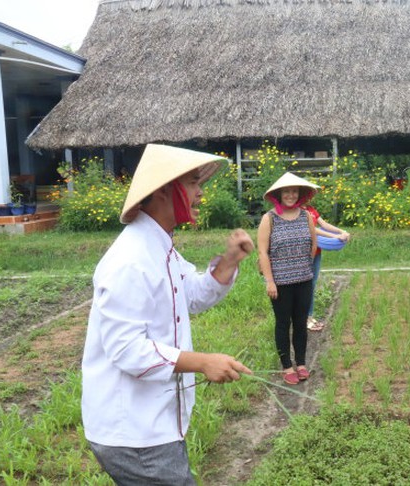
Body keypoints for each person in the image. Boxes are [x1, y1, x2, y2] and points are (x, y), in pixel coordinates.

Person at [81, 144, 255, 485]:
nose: (201, 193)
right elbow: (127, 349)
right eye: (193, 182)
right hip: (134, 432)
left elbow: (192, 293)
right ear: (163, 189)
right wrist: (203, 361)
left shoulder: (160, 248)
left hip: (150, 424)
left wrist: (230, 260)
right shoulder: (131, 260)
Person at [258, 172, 318, 386]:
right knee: (283, 323)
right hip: (280, 284)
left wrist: (302, 266)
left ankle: (301, 363)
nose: (291, 195)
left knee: (301, 322)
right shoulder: (269, 219)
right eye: (286, 191)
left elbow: (313, 245)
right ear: (279, 195)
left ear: (299, 194)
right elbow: (263, 253)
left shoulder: (306, 216)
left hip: (303, 280)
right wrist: (270, 281)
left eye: (294, 191)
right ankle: (287, 366)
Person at [303, 204, 350, 331]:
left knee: (311, 284)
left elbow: (324, 225)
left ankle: (309, 315)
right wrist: (335, 236)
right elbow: (312, 228)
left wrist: (341, 231)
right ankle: (304, 318)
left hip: (316, 252)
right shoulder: (298, 211)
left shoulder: (311, 209)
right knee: (305, 285)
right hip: (304, 252)